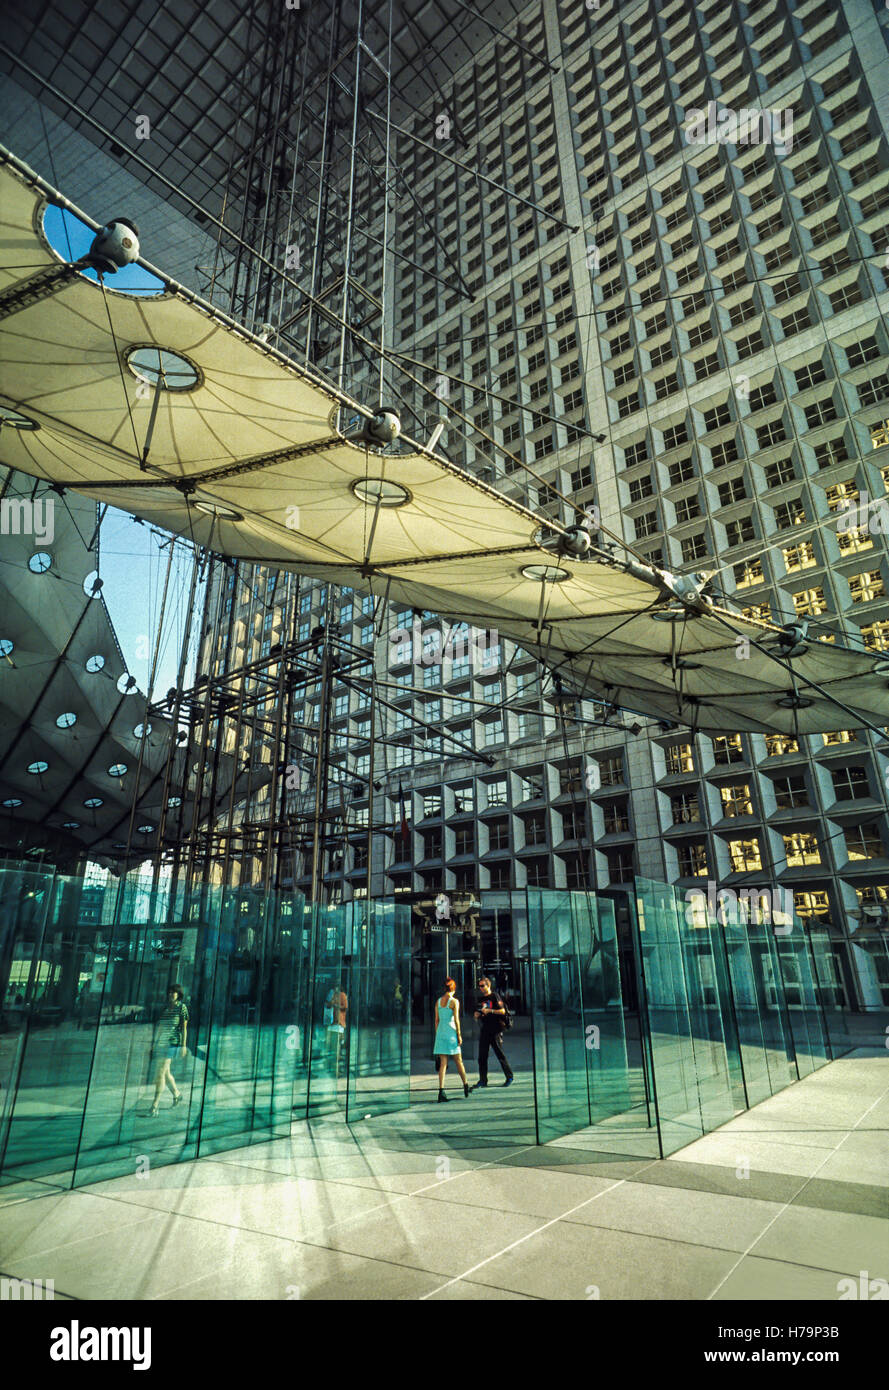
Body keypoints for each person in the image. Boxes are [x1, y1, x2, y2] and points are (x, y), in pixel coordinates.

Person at [149, 984, 188, 1116]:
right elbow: (160, 1027)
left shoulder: (182, 1008)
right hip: (162, 1043)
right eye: (170, 992)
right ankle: (177, 1094)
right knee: (165, 1073)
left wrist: (183, 1046)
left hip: (172, 1043)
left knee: (160, 1072)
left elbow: (184, 1028)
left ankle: (155, 1105)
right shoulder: (166, 1009)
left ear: (179, 994)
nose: (171, 994)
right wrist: (155, 1043)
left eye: (174, 992)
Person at [433, 977, 471, 1102]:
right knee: (458, 1060)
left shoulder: (438, 1001)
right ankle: (465, 1085)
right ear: (453, 988)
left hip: (441, 1033)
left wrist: (438, 1034)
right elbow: (456, 1020)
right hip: (451, 1033)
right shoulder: (454, 1001)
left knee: (443, 1064)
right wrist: (459, 1034)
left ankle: (441, 1091)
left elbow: (436, 1020)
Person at [474, 977, 513, 1088]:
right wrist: (477, 1015)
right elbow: (480, 1012)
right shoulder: (481, 999)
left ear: (488, 985)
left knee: (499, 1053)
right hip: (485, 1029)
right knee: (482, 1056)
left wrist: (490, 1011)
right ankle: (483, 1080)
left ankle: (509, 1076)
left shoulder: (494, 996)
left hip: (495, 1029)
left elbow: (502, 1011)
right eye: (479, 986)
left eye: (482, 985)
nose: (481, 988)